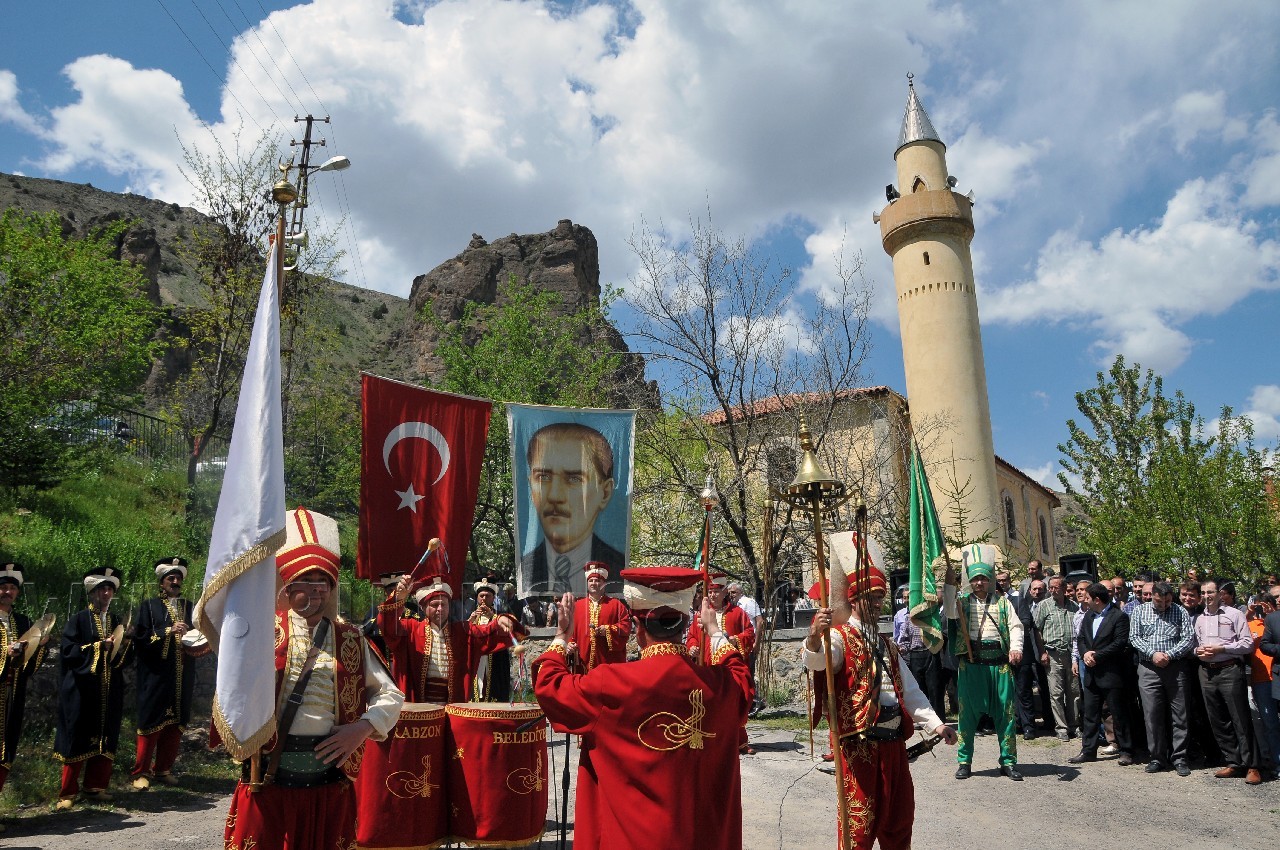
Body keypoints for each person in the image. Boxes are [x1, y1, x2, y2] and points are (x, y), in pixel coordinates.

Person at [222, 506, 404, 849]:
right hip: (267, 782)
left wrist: (363, 728)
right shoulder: (260, 631)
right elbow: (230, 680)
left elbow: (390, 695)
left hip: (327, 784)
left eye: (324, 581)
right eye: (307, 580)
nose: (318, 589)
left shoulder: (350, 638)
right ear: (288, 587)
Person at [533, 566, 752, 850]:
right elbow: (740, 676)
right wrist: (715, 632)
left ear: (637, 630)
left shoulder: (608, 683)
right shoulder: (722, 687)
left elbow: (549, 685)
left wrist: (562, 636)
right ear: (687, 623)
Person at [806, 563, 956, 849]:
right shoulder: (838, 636)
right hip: (859, 745)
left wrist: (936, 724)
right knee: (859, 827)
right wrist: (815, 637)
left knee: (898, 822)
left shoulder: (887, 644)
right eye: (871, 597)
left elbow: (909, 690)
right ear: (854, 599)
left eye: (880, 597)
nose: (877, 603)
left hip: (893, 745)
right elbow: (818, 660)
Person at [943, 545, 1024, 780]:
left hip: (999, 666)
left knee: (1006, 715)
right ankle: (964, 761)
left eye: (983, 579)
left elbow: (1015, 626)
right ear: (971, 581)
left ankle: (1008, 761)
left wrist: (1016, 649)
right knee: (967, 717)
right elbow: (948, 610)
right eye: (976, 579)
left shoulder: (1003, 603)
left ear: (989, 580)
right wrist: (949, 584)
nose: (979, 583)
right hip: (972, 665)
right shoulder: (961, 602)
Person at [55, 567, 132, 808]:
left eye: (110, 589)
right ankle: (67, 793)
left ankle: (95, 786)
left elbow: (122, 660)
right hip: (82, 690)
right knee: (77, 736)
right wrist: (99, 647)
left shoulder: (117, 620)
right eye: (102, 589)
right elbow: (69, 652)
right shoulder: (77, 619)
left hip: (109, 689)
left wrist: (125, 642)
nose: (106, 593)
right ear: (92, 593)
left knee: (106, 735)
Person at [379, 571, 519, 703]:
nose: (440, 609)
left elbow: (488, 633)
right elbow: (387, 626)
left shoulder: (463, 631)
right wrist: (398, 598)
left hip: (452, 708)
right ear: (423, 607)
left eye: (444, 604)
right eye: (434, 605)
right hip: (420, 709)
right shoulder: (410, 629)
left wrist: (501, 621)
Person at [520, 422, 624, 597]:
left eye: (574, 479)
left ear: (605, 492)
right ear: (530, 484)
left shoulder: (619, 570)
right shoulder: (523, 569)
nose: (554, 496)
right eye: (543, 477)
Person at [130, 557, 203, 790]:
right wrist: (168, 631)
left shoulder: (190, 607)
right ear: (161, 583)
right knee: (152, 721)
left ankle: (163, 769)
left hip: (182, 674)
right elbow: (140, 639)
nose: (175, 581)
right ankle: (141, 772)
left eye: (178, 578)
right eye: (170, 578)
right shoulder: (149, 607)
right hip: (157, 674)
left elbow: (201, 633)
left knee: (176, 722)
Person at [1193, 580, 1262, 784]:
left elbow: (1247, 644)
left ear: (1220, 594)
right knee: (1218, 719)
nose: (1207, 596)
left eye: (1211, 592)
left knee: (1240, 718)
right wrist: (1198, 651)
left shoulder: (1234, 614)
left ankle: (1252, 765)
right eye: (1204, 592)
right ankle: (1233, 762)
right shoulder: (1199, 619)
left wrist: (1222, 649)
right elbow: (1195, 645)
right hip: (1206, 671)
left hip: (1229, 669)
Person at [1129, 580, 1195, 776]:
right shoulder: (1140, 612)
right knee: (1152, 715)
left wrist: (1170, 655)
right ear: (1152, 596)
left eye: (1166, 602)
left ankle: (1180, 758)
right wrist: (1153, 654)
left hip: (1176, 668)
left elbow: (1188, 638)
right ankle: (1157, 757)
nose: (1163, 606)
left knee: (1180, 715)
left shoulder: (1180, 611)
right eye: (1159, 602)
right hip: (1149, 668)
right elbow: (1134, 637)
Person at [0, 562, 51, 809]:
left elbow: (29, 664)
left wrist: (40, 645)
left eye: (12, 588)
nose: (8, 592)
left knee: (6, 748)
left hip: (13, 692)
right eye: (3, 587)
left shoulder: (23, 621)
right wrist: (4, 653)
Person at [686, 573, 756, 753]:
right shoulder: (700, 616)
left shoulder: (738, 613)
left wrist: (735, 640)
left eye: (716, 591)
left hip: (728, 664)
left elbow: (749, 634)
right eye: (710, 591)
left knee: (733, 699)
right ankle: (711, 738)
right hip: (707, 665)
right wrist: (693, 647)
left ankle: (741, 741)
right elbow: (692, 637)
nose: (713, 595)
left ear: (725, 592)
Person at [1069, 582, 1136, 767]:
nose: (1085, 600)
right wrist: (1084, 653)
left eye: (1088, 598)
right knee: (1090, 713)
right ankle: (1088, 750)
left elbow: (1120, 643)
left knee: (1118, 714)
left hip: (1111, 674)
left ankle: (1126, 751)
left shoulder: (1119, 617)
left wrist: (1097, 656)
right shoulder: (1089, 615)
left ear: (1097, 599)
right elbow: (1081, 638)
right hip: (1091, 673)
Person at [1034, 575, 1078, 741]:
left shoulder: (1073, 606)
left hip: (1071, 654)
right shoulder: (1044, 606)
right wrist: (1042, 652)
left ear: (1064, 588)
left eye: (1056, 587)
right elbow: (1037, 629)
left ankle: (1074, 725)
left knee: (1074, 692)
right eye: (1050, 587)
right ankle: (1061, 727)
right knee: (1056, 692)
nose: (1052, 590)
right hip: (1053, 654)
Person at [570, 562, 632, 671]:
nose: (594, 583)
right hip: (583, 662)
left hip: (608, 661)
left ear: (604, 583)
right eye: (591, 581)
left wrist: (607, 630)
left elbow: (626, 627)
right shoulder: (577, 606)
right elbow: (569, 630)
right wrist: (569, 644)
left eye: (598, 580)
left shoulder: (616, 605)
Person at [893, 584, 941, 717]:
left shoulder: (928, 614)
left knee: (934, 688)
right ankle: (925, 717)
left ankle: (939, 717)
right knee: (919, 688)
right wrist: (902, 648)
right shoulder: (908, 617)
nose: (907, 600)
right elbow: (903, 637)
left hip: (930, 653)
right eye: (905, 597)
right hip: (914, 655)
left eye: (910, 597)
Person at [1245, 594, 1279, 775]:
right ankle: (1276, 762)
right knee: (1269, 724)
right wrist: (1249, 614)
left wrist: (1272, 615)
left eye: (1264, 606)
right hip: (1261, 680)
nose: (1261, 609)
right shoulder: (1249, 624)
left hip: (1277, 676)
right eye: (1256, 606)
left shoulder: (1275, 622)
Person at [467, 577, 512, 701]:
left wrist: (493, 616)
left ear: (493, 598)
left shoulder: (500, 616)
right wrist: (470, 621)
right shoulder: (472, 617)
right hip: (477, 657)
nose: (484, 599)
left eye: (487, 596)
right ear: (477, 598)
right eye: (481, 596)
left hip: (495, 658)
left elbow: (509, 632)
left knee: (493, 685)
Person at [1013, 579, 1046, 739]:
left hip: (1023, 655)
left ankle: (1029, 727)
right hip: (1003, 657)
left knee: (1024, 692)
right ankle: (1017, 723)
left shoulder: (1018, 601)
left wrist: (1009, 629)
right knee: (1010, 694)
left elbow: (1026, 622)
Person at [728, 581, 765, 714]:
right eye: (730, 593)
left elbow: (759, 622)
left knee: (748, 673)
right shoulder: (732, 606)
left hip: (749, 643)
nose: (731, 595)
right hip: (739, 643)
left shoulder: (748, 602)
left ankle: (752, 703)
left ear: (741, 592)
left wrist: (757, 642)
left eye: (734, 592)